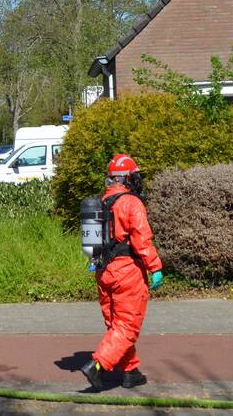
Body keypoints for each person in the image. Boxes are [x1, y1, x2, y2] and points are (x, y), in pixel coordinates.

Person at [81, 154, 164, 390]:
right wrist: (155, 267)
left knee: (116, 325)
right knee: (127, 326)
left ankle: (130, 371)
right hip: (127, 273)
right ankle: (97, 366)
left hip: (103, 272)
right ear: (128, 178)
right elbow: (142, 241)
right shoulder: (131, 203)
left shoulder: (102, 202)